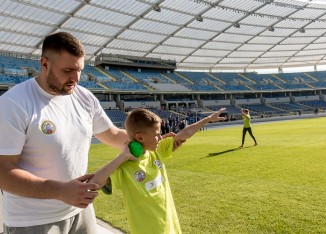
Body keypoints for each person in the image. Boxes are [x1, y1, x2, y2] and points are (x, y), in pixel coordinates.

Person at [0, 32, 182, 234]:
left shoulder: (84, 97)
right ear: (44, 64)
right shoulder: (14, 103)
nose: (75, 79)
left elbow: (112, 134)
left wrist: (150, 141)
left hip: (81, 211)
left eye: (79, 70)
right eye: (68, 70)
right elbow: (3, 171)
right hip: (33, 221)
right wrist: (59, 190)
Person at [88, 107, 226, 234]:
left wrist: (207, 119)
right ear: (140, 137)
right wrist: (123, 156)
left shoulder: (156, 151)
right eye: (157, 134)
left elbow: (184, 133)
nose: (161, 138)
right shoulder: (124, 167)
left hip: (170, 225)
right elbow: (93, 183)